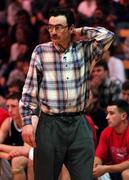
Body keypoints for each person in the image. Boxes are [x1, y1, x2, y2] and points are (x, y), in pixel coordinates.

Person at [19, 7, 115, 180]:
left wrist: (80, 31)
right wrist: (26, 123)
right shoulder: (41, 51)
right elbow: (28, 91)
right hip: (49, 124)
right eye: (50, 27)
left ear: (70, 28)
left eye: (58, 27)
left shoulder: (85, 50)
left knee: (84, 176)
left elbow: (108, 36)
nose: (53, 32)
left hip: (79, 122)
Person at [93, 99, 129, 180]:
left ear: (123, 116)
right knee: (95, 172)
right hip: (114, 170)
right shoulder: (106, 132)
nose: (107, 117)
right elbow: (99, 156)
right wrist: (95, 167)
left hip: (122, 171)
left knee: (126, 174)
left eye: (111, 113)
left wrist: (107, 168)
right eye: (107, 113)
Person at [0, 93, 31, 180]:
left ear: (22, 106)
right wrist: (5, 155)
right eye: (8, 106)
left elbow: (27, 150)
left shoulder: (30, 121)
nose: (9, 110)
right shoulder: (8, 122)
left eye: (13, 106)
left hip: (33, 155)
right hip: (12, 154)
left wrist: (1, 147)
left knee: (17, 161)